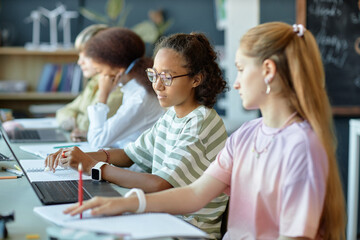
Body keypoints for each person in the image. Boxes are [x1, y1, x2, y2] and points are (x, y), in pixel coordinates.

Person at [64, 22, 346, 240]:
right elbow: (195, 193)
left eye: (241, 69)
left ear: (268, 70)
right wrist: (127, 204)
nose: (235, 83)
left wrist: (100, 170)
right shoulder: (246, 135)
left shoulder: (302, 147)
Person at [46, 32, 229, 239]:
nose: (157, 85)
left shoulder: (200, 121)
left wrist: (92, 167)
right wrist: (79, 155)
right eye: (154, 75)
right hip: (165, 219)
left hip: (188, 230)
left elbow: (161, 184)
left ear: (196, 79)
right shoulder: (172, 116)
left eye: (167, 77)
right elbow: (130, 154)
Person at [82, 27, 165, 149]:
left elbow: (97, 141)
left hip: (136, 167)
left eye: (100, 71)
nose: (100, 77)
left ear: (118, 70)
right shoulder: (134, 88)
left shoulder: (139, 97)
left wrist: (102, 96)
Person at [56, 24, 124, 142]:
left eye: (86, 56)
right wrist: (75, 118)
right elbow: (64, 111)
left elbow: (88, 125)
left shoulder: (117, 87)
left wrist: (74, 120)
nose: (79, 62)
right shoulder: (95, 81)